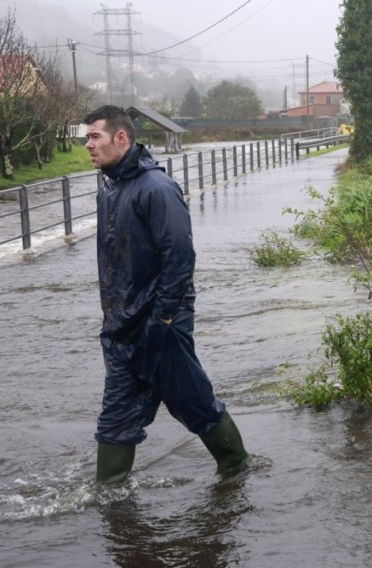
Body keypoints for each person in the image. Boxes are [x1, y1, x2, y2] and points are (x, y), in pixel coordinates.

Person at [83, 105, 248, 483]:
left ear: (120, 138)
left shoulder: (157, 189)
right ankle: (109, 498)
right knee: (115, 418)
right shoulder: (109, 189)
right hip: (121, 328)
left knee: (194, 402)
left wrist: (164, 318)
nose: (88, 145)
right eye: (87, 137)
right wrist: (114, 318)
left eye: (95, 137)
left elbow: (180, 257)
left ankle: (238, 469)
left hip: (160, 324)